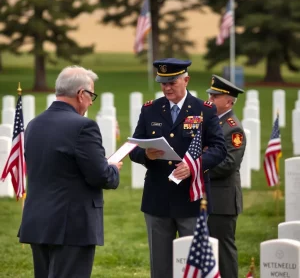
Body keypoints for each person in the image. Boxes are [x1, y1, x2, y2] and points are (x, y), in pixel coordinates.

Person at [18, 65, 123, 278]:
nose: (92, 101)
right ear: (81, 94)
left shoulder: (34, 124)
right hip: (72, 224)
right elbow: (99, 175)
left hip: (38, 221)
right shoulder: (83, 127)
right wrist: (111, 168)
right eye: (91, 94)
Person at [129, 58, 227, 278]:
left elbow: (220, 149)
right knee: (160, 267)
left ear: (186, 80)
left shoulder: (205, 110)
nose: (167, 87)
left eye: (172, 82)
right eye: (163, 83)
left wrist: (194, 166)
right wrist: (145, 154)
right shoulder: (150, 110)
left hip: (190, 199)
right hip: (158, 198)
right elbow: (133, 147)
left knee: (193, 265)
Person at [206, 74, 246, 278]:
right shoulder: (211, 122)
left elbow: (229, 164)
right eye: (210, 96)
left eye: (215, 97)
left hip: (222, 201)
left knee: (223, 251)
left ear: (229, 101)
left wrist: (198, 169)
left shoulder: (233, 128)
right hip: (205, 197)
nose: (210, 100)